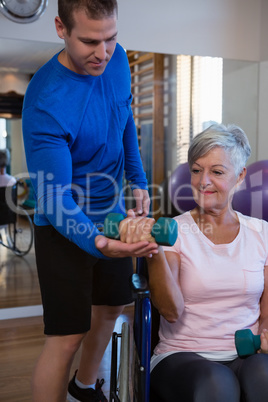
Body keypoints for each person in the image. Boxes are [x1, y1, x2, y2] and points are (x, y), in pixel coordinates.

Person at [22, 1, 158, 401]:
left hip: (111, 213)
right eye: (90, 41)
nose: (103, 53)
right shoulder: (46, 98)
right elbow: (53, 196)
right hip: (63, 225)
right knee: (66, 336)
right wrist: (99, 243)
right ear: (61, 27)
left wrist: (138, 179)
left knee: (111, 309)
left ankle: (83, 386)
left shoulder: (116, 61)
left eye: (111, 38)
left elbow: (124, 115)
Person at [119, 123, 268, 402]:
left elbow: (267, 307)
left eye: (217, 172)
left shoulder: (262, 233)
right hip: (183, 356)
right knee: (217, 383)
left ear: (240, 176)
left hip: (246, 352)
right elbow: (171, 311)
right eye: (197, 170)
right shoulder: (174, 233)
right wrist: (155, 252)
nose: (203, 182)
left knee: (264, 376)